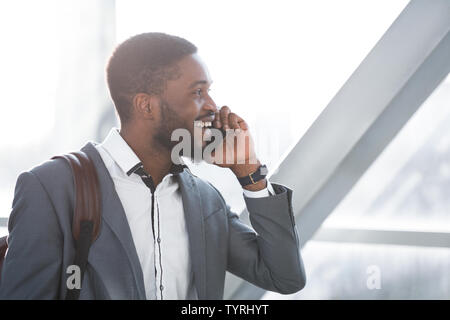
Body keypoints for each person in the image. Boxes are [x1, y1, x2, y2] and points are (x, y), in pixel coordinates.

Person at [0, 32, 306, 299]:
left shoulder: (205, 200)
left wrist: (250, 174)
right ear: (147, 105)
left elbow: (284, 277)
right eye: (197, 92)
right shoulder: (51, 188)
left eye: (209, 91)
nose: (212, 105)